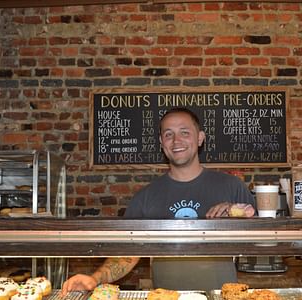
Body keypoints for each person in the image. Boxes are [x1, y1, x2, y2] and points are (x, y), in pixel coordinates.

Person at [61, 107, 255, 295]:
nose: (176, 140)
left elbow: (263, 244)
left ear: (200, 138)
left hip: (222, 296)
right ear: (162, 142)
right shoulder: (146, 197)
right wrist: (94, 279)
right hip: (165, 296)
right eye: (169, 134)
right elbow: (127, 254)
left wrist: (237, 214)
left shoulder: (231, 187)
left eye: (185, 132)